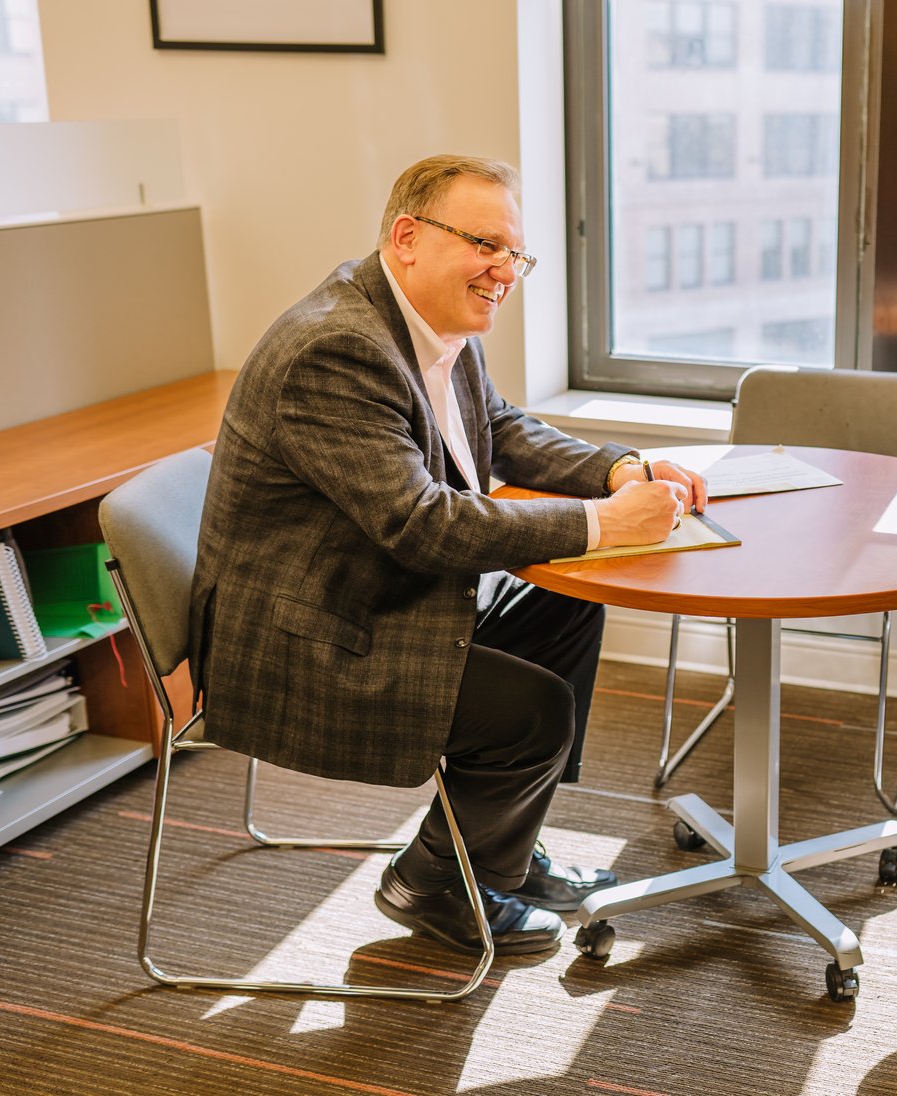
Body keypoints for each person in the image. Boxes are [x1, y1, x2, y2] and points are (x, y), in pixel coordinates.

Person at [190, 154, 708, 955]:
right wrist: (609, 522)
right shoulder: (338, 350)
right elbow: (424, 525)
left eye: (515, 254)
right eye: (485, 244)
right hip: (306, 638)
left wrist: (618, 468)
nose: (505, 270)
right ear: (407, 238)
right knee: (535, 716)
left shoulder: (428, 323)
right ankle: (435, 882)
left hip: (372, 590)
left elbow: (499, 428)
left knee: (568, 600)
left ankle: (494, 848)